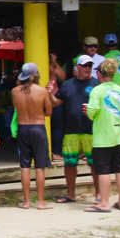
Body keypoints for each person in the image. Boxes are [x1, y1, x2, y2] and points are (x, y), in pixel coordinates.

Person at [46, 55, 100, 203]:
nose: (87, 68)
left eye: (90, 65)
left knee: (95, 163)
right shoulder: (68, 84)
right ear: (77, 67)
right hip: (71, 131)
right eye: (85, 65)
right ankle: (70, 194)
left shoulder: (96, 84)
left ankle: (98, 194)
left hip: (92, 130)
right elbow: (55, 103)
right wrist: (50, 93)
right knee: (70, 163)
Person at [84, 59, 120, 213]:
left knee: (103, 169)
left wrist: (89, 113)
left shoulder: (97, 90)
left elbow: (92, 111)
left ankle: (104, 203)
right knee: (119, 167)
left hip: (103, 136)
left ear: (99, 73)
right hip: (118, 134)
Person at [11, 63, 53, 210]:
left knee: (25, 166)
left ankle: (26, 202)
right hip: (38, 127)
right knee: (40, 166)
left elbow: (16, 109)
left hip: (23, 128)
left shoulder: (15, 91)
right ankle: (41, 202)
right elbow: (49, 112)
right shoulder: (42, 91)